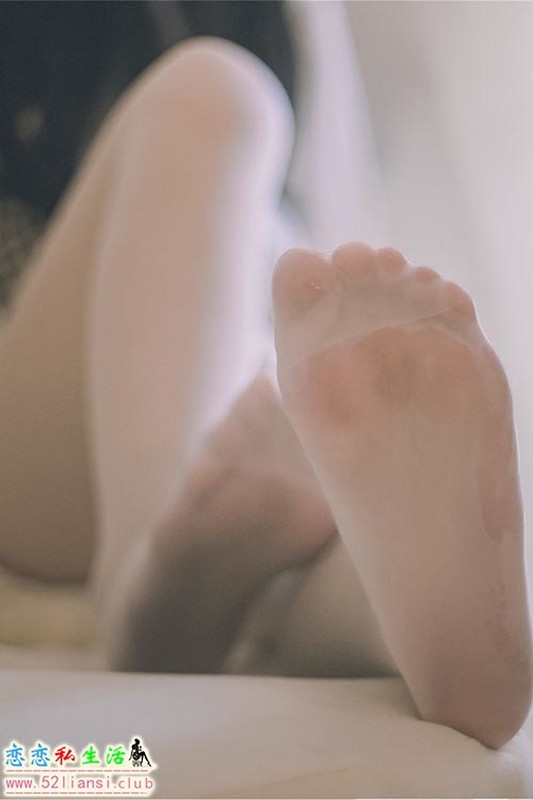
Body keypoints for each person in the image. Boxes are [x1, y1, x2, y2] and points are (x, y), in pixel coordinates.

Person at [0, 1, 531, 752]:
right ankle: (151, 577)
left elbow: (336, 236)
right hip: (38, 427)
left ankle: (418, 641)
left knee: (334, 516)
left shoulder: (298, 14)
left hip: (228, 388)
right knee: (216, 96)